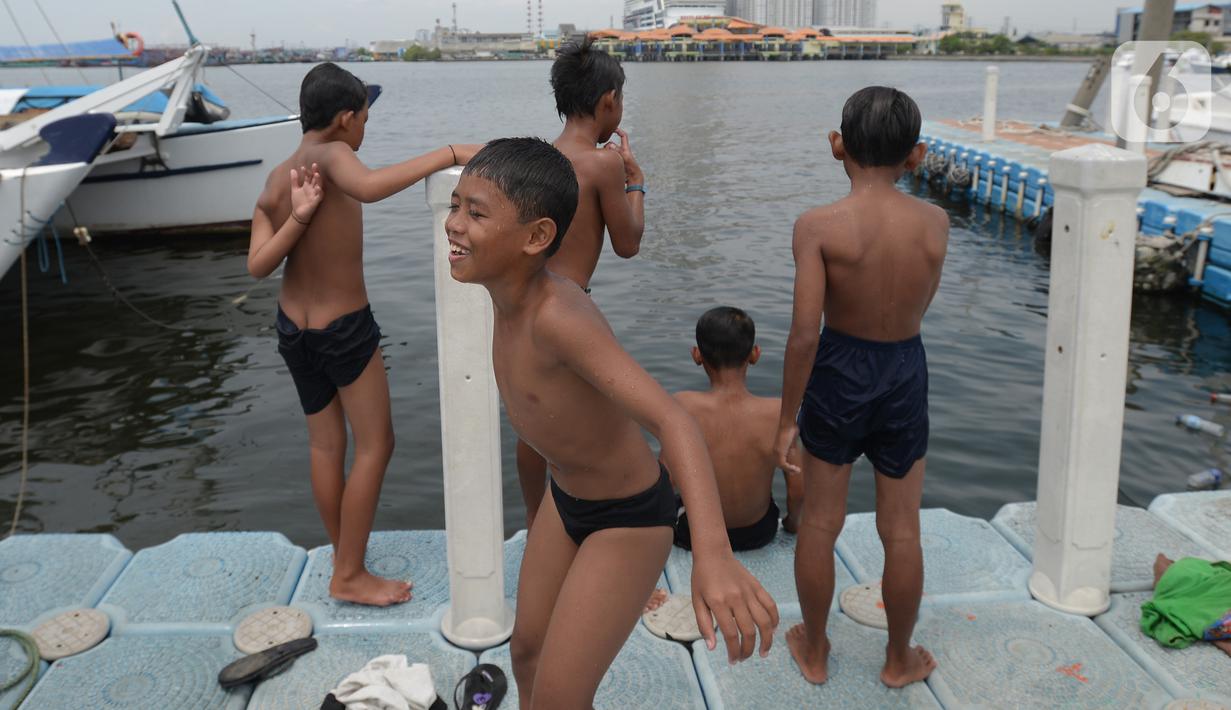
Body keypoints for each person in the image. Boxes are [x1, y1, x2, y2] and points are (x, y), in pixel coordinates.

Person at [446, 137, 777, 708]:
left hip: (626, 519)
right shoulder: (506, 296)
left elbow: (674, 420)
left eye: (475, 213)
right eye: (455, 205)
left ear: (536, 238)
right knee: (526, 651)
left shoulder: (558, 317)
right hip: (566, 499)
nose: (453, 224)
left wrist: (713, 555)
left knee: (562, 696)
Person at [246, 62, 476, 606]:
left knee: (326, 446)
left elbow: (257, 265)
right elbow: (371, 188)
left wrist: (297, 218)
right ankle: (348, 574)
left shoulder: (279, 175)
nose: (367, 127)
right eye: (366, 115)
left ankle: (345, 557)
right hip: (343, 329)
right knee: (377, 444)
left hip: (292, 329)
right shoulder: (333, 155)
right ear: (347, 118)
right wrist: (450, 153)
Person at [774, 86, 949, 687]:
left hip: (840, 368)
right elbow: (920, 301)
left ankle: (817, 650)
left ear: (836, 145)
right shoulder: (935, 222)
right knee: (901, 526)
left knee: (821, 521)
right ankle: (899, 658)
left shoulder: (818, 227)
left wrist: (785, 418)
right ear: (917, 155)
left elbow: (803, 334)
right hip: (905, 365)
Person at [516, 37, 647, 530]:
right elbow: (628, 243)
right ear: (608, 101)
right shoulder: (602, 164)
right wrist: (635, 181)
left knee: (534, 428)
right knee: (597, 431)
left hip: (525, 305)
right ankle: (590, 532)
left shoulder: (538, 160)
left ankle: (535, 523)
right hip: (572, 310)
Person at [670, 306, 803, 551]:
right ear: (754, 354)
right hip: (759, 533)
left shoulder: (682, 405)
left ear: (697, 355)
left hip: (698, 536)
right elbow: (797, 488)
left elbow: (667, 481)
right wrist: (792, 524)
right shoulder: (778, 412)